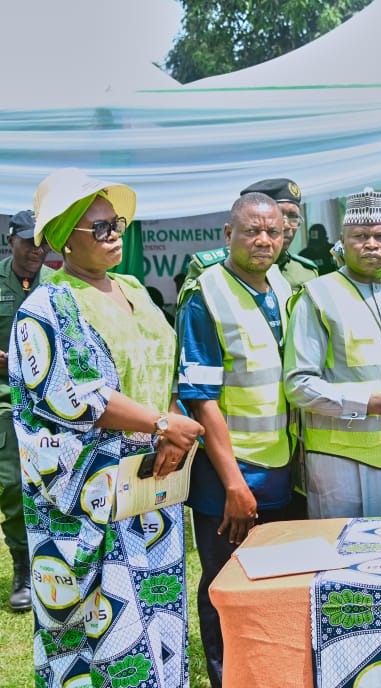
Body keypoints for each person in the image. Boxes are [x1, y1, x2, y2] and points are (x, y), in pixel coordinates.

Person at [10, 168, 203, 686]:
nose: (114, 233)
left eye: (116, 223)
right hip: (92, 497)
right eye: (98, 228)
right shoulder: (47, 307)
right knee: (105, 629)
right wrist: (162, 423)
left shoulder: (133, 288)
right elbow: (76, 394)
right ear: (63, 241)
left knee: (159, 615)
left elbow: (167, 364)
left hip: (152, 482)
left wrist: (169, 431)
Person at [176, 192, 294, 687]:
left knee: (274, 588)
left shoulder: (282, 285)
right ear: (228, 234)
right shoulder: (206, 295)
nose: (264, 240)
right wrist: (233, 484)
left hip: (280, 471)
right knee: (226, 589)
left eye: (273, 231)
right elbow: (200, 399)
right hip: (229, 479)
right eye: (252, 231)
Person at [284, 189, 381, 518]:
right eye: (360, 236)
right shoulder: (317, 297)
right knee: (345, 548)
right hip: (342, 465)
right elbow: (298, 385)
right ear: (342, 240)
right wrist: (371, 403)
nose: (372, 245)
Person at [0, 210, 53, 613]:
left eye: (43, 242)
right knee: (13, 482)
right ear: (10, 241)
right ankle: (22, 567)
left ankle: (52, 562)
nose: (37, 250)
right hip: (6, 395)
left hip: (49, 396)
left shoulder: (56, 284)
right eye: (28, 241)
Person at [182, 178, 319, 293]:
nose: (286, 225)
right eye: (277, 216)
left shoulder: (305, 272)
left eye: (293, 217)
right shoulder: (209, 271)